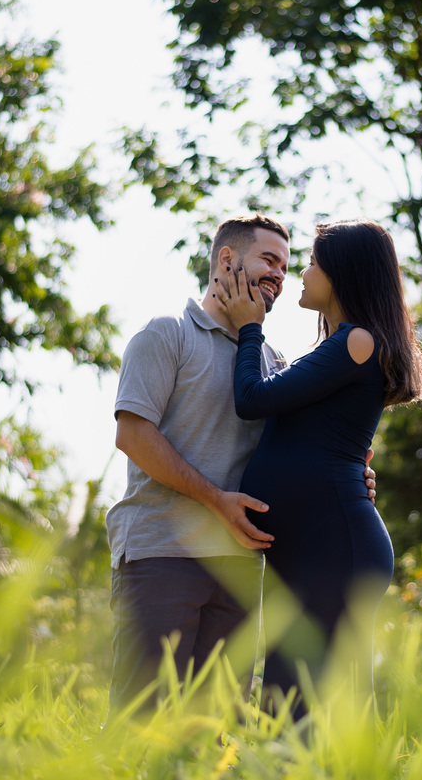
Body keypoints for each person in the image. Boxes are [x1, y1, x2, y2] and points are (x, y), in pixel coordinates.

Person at [106, 213, 377, 715]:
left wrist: (346, 475)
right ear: (226, 259)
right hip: (164, 551)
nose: (279, 274)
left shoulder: (272, 361)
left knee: (217, 729)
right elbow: (133, 435)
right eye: (268, 260)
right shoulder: (167, 333)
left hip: (242, 566)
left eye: (286, 266)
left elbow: (296, 448)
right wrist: (215, 499)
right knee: (143, 721)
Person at [214, 218, 422, 717]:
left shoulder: (357, 342)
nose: (302, 274)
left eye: (312, 263)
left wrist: (250, 328)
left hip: (333, 550)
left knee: (308, 704)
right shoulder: (339, 346)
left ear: (341, 274)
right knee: (291, 700)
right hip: (313, 550)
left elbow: (252, 399)